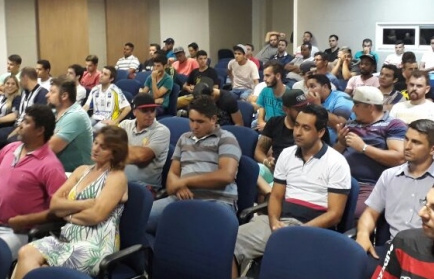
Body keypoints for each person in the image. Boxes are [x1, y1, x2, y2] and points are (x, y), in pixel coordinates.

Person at [354, 119, 434, 279]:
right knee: (352, 271)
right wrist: (362, 234)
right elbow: (370, 213)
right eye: (406, 139)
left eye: (416, 142)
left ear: (433, 149)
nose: (407, 146)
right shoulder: (389, 176)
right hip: (394, 250)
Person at [233, 104, 350, 275]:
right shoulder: (287, 155)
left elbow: (335, 214)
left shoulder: (336, 162)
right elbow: (276, 196)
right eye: (296, 125)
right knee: (228, 242)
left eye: (306, 128)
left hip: (312, 229)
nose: (297, 132)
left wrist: (297, 232)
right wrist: (273, 221)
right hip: (280, 222)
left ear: (320, 132)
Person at [11, 126, 129, 279]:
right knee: (25, 254)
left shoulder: (116, 177)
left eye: (103, 147)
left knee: (38, 268)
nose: (95, 148)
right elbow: (55, 204)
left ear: (115, 152)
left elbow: (96, 215)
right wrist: (84, 204)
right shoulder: (81, 170)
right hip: (68, 237)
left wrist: (68, 214)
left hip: (96, 245)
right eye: (95, 143)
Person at [0, 105, 66, 258]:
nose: (19, 125)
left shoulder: (51, 166)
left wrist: (26, 220)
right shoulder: (10, 149)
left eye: (26, 122)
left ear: (40, 130)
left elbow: (59, 211)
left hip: (20, 231)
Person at [146, 96, 241, 234]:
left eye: (200, 122)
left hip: (216, 202)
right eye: (191, 120)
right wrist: (178, 188)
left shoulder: (226, 138)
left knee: (195, 233)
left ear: (213, 119)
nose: (194, 126)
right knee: (139, 220)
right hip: (181, 198)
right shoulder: (184, 138)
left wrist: (184, 181)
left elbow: (226, 175)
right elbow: (172, 175)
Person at [334, 86, 406, 216]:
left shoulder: (394, 125)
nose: (352, 109)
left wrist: (363, 147)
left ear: (370, 107)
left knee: (349, 214)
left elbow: (399, 158)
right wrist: (341, 143)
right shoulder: (350, 124)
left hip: (370, 186)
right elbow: (333, 156)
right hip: (339, 181)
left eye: (356, 105)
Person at [0, 67, 48, 147]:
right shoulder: (24, 92)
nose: (20, 82)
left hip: (27, 129)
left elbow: (36, 120)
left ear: (25, 78)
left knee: (8, 140)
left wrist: (14, 132)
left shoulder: (42, 94)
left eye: (20, 79)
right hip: (16, 125)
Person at [121, 93, 170, 190]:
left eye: (152, 110)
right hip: (118, 180)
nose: (150, 115)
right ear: (134, 111)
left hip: (143, 186)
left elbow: (142, 156)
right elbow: (109, 147)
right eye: (144, 111)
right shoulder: (125, 124)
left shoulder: (162, 131)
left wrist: (119, 153)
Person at [255, 89, 309, 172]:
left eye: (305, 107)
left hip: (302, 170)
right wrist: (267, 162)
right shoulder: (274, 123)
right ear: (285, 109)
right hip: (277, 169)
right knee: (257, 170)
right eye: (298, 109)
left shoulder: (312, 126)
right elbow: (259, 151)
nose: (303, 112)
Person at [48, 76, 93, 172]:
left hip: (78, 175)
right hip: (58, 170)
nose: (47, 95)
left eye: (52, 92)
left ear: (64, 96)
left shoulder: (76, 116)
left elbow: (50, 148)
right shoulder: (54, 112)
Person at [304, 74, 353, 142]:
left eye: (312, 86)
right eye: (308, 88)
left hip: (341, 144)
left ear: (325, 87)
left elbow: (341, 124)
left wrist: (318, 106)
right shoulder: (313, 102)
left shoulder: (341, 98)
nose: (309, 91)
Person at [84, 65, 132, 130]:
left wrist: (115, 121)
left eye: (105, 74)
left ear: (111, 79)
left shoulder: (115, 90)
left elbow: (128, 108)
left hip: (108, 119)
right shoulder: (94, 89)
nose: (101, 75)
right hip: (95, 117)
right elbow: (87, 106)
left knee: (93, 130)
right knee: (81, 128)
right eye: (101, 72)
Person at [255, 61, 286, 132]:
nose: (264, 79)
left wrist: (267, 126)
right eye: (264, 76)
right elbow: (261, 108)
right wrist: (261, 122)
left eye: (267, 75)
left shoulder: (288, 95)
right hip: (265, 126)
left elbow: (289, 123)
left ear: (278, 76)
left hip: (280, 130)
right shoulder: (265, 91)